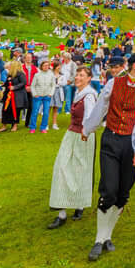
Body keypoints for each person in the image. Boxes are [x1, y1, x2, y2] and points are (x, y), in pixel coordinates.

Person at [82, 52, 135, 262]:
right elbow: (100, 108)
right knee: (108, 190)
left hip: (130, 144)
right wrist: (88, 128)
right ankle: (99, 239)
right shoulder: (113, 84)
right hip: (111, 140)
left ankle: (108, 236)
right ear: (134, 66)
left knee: (123, 192)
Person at [48, 66, 98, 229]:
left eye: (82, 75)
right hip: (71, 134)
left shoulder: (89, 95)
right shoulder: (78, 93)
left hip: (83, 136)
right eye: (77, 75)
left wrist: (85, 131)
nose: (77, 78)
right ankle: (61, 213)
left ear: (89, 78)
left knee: (81, 170)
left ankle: (80, 204)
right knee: (61, 167)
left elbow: (91, 117)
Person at [29, 59, 57, 133]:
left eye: (47, 65)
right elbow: (33, 86)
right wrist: (35, 94)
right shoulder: (37, 75)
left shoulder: (51, 75)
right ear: (41, 66)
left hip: (47, 96)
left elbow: (53, 85)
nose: (46, 67)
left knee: (46, 112)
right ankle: (32, 127)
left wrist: (51, 94)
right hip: (38, 96)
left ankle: (43, 127)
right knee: (35, 112)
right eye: (44, 65)